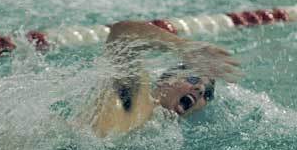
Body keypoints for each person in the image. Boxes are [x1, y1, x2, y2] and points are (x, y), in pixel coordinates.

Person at [83, 21, 241, 137]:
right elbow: (122, 34)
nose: (200, 89)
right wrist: (182, 46)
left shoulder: (160, 132)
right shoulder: (137, 94)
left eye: (207, 94)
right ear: (164, 81)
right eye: (192, 79)